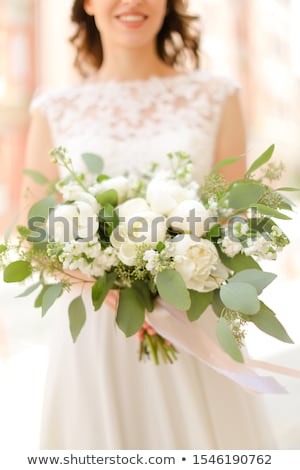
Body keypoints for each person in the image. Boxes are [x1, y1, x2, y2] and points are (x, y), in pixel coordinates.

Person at [24, 0, 276, 449]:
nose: (133, 2)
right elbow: (37, 235)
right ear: (88, 4)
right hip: (97, 330)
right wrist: (101, 278)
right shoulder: (53, 108)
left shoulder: (217, 96)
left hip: (192, 322)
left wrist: (178, 265)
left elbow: (234, 217)